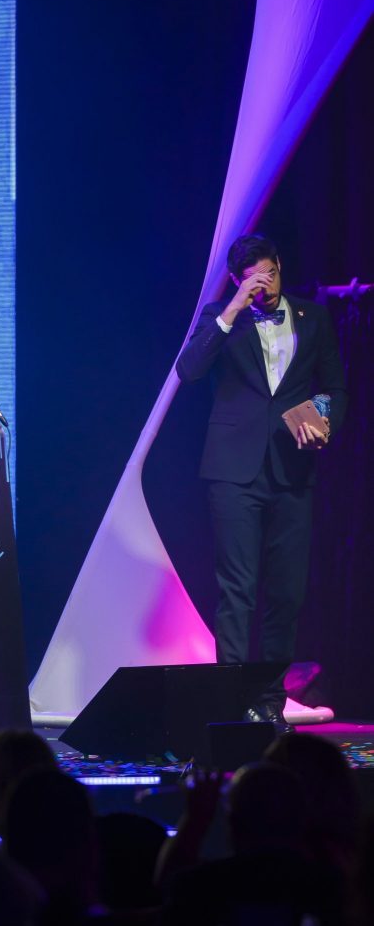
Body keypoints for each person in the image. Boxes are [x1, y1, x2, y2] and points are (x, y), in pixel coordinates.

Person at [177, 234, 347, 732]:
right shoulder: (220, 317)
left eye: (269, 272)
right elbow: (189, 370)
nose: (264, 283)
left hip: (292, 468)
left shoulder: (313, 317)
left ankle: (270, 703)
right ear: (237, 280)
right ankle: (231, 701)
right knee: (237, 590)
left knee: (286, 592)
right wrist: (232, 308)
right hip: (233, 471)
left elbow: (335, 387)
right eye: (253, 277)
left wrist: (322, 418)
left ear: (280, 267)